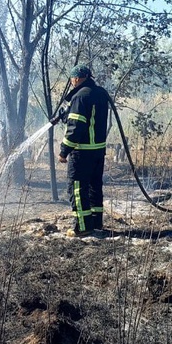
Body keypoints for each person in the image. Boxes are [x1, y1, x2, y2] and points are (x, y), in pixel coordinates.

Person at [55, 64, 110, 237]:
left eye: (72, 79)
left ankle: (82, 226)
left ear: (77, 78)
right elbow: (90, 119)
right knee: (94, 186)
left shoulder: (80, 97)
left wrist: (64, 150)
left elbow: (76, 127)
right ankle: (95, 222)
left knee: (77, 188)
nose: (72, 82)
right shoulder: (100, 93)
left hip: (82, 152)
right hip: (98, 151)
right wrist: (67, 115)